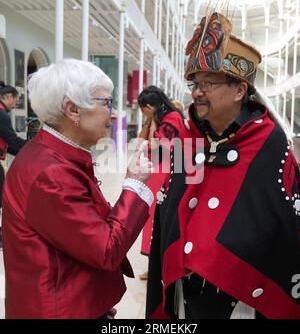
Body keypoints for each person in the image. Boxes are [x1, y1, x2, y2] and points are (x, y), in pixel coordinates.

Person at [146, 12, 300, 319]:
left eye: (209, 82)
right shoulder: (188, 137)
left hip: (240, 297)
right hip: (186, 293)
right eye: (195, 83)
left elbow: (284, 220)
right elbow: (173, 209)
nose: (197, 91)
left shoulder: (268, 140)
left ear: (239, 90)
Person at [2, 59, 154, 319]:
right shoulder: (52, 173)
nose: (113, 114)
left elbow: (75, 239)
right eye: (106, 103)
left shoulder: (49, 154)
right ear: (73, 110)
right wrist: (135, 185)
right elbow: (106, 249)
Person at [137, 86, 186, 281]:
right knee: (153, 219)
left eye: (143, 109)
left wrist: (153, 124)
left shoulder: (171, 119)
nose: (143, 113)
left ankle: (161, 268)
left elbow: (155, 146)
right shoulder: (159, 119)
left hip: (167, 172)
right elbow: (142, 141)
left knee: (160, 218)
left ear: (149, 106)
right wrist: (150, 121)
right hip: (157, 171)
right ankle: (155, 265)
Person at [0, 81, 27, 248]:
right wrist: (33, 149)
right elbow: (12, 141)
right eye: (15, 101)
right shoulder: (1, 114)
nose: (14, 104)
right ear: (8, 97)